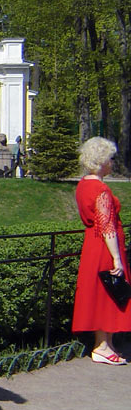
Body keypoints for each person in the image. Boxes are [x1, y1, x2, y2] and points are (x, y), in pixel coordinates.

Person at [72, 137, 130, 364]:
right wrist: (117, 258)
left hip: (92, 245)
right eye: (110, 159)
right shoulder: (101, 188)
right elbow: (106, 226)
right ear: (102, 161)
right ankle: (103, 346)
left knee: (100, 292)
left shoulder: (84, 184)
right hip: (104, 247)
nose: (113, 163)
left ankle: (106, 343)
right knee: (109, 294)